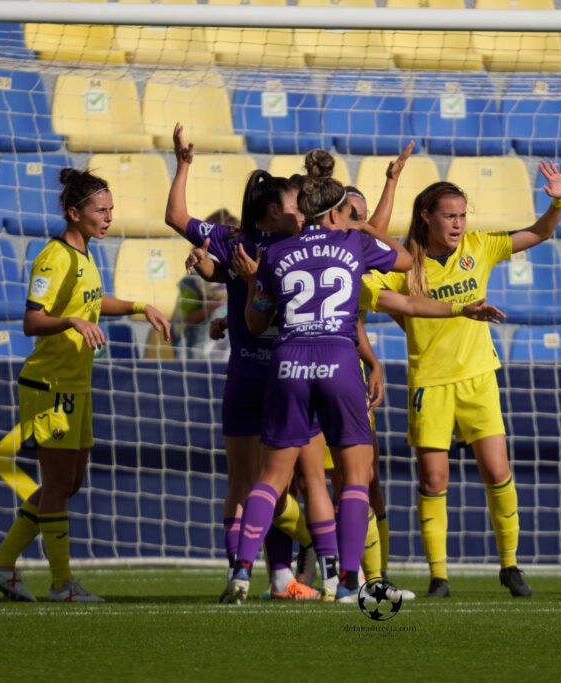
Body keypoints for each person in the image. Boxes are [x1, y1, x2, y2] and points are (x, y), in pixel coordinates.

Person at [223, 149, 415, 604]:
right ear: (335, 211)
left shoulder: (275, 252)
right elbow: (406, 261)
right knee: (354, 477)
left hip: (288, 361)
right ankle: (347, 581)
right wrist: (365, 228)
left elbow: (255, 322)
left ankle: (242, 570)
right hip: (338, 358)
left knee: (271, 476)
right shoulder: (353, 243)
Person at [370, 161, 561, 598]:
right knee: (433, 480)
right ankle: (439, 576)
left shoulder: (480, 246)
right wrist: (416, 326)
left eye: (462, 215)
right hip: (430, 381)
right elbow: (375, 295)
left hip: (478, 376)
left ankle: (510, 565)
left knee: (497, 470)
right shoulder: (406, 263)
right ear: (427, 216)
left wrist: (558, 201)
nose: (458, 224)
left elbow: (539, 233)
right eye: (450, 216)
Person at [0, 168, 170, 603]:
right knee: (59, 484)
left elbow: (93, 302)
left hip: (76, 385)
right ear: (74, 213)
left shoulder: (85, 255)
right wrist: (71, 321)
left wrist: (141, 305)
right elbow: (33, 320)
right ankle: (61, 583)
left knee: (69, 482)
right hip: (49, 385)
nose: (109, 217)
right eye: (101, 210)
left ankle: (2, 562)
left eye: (111, 209)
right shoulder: (54, 257)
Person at [166, 124, 323, 601]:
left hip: (244, 373)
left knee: (244, 481)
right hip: (288, 376)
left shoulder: (233, 240)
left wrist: (184, 165)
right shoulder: (299, 247)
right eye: (294, 203)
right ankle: (307, 560)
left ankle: (244, 573)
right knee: (282, 484)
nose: (301, 211)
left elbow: (175, 216)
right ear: (274, 210)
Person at [170, 209, 231, 360]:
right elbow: (186, 320)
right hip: (194, 348)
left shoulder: (237, 267)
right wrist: (214, 305)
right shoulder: (192, 279)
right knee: (223, 310)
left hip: (228, 350)